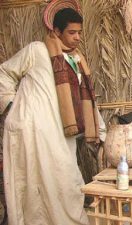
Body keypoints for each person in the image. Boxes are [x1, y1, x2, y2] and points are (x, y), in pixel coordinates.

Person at [0, 5, 104, 225]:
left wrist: (100, 131)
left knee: (67, 182)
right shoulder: (37, 50)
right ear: (57, 31)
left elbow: (85, 102)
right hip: (31, 131)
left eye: (79, 32)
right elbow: (4, 73)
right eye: (71, 32)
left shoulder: (77, 61)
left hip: (61, 136)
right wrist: (11, 107)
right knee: (32, 187)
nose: (77, 38)